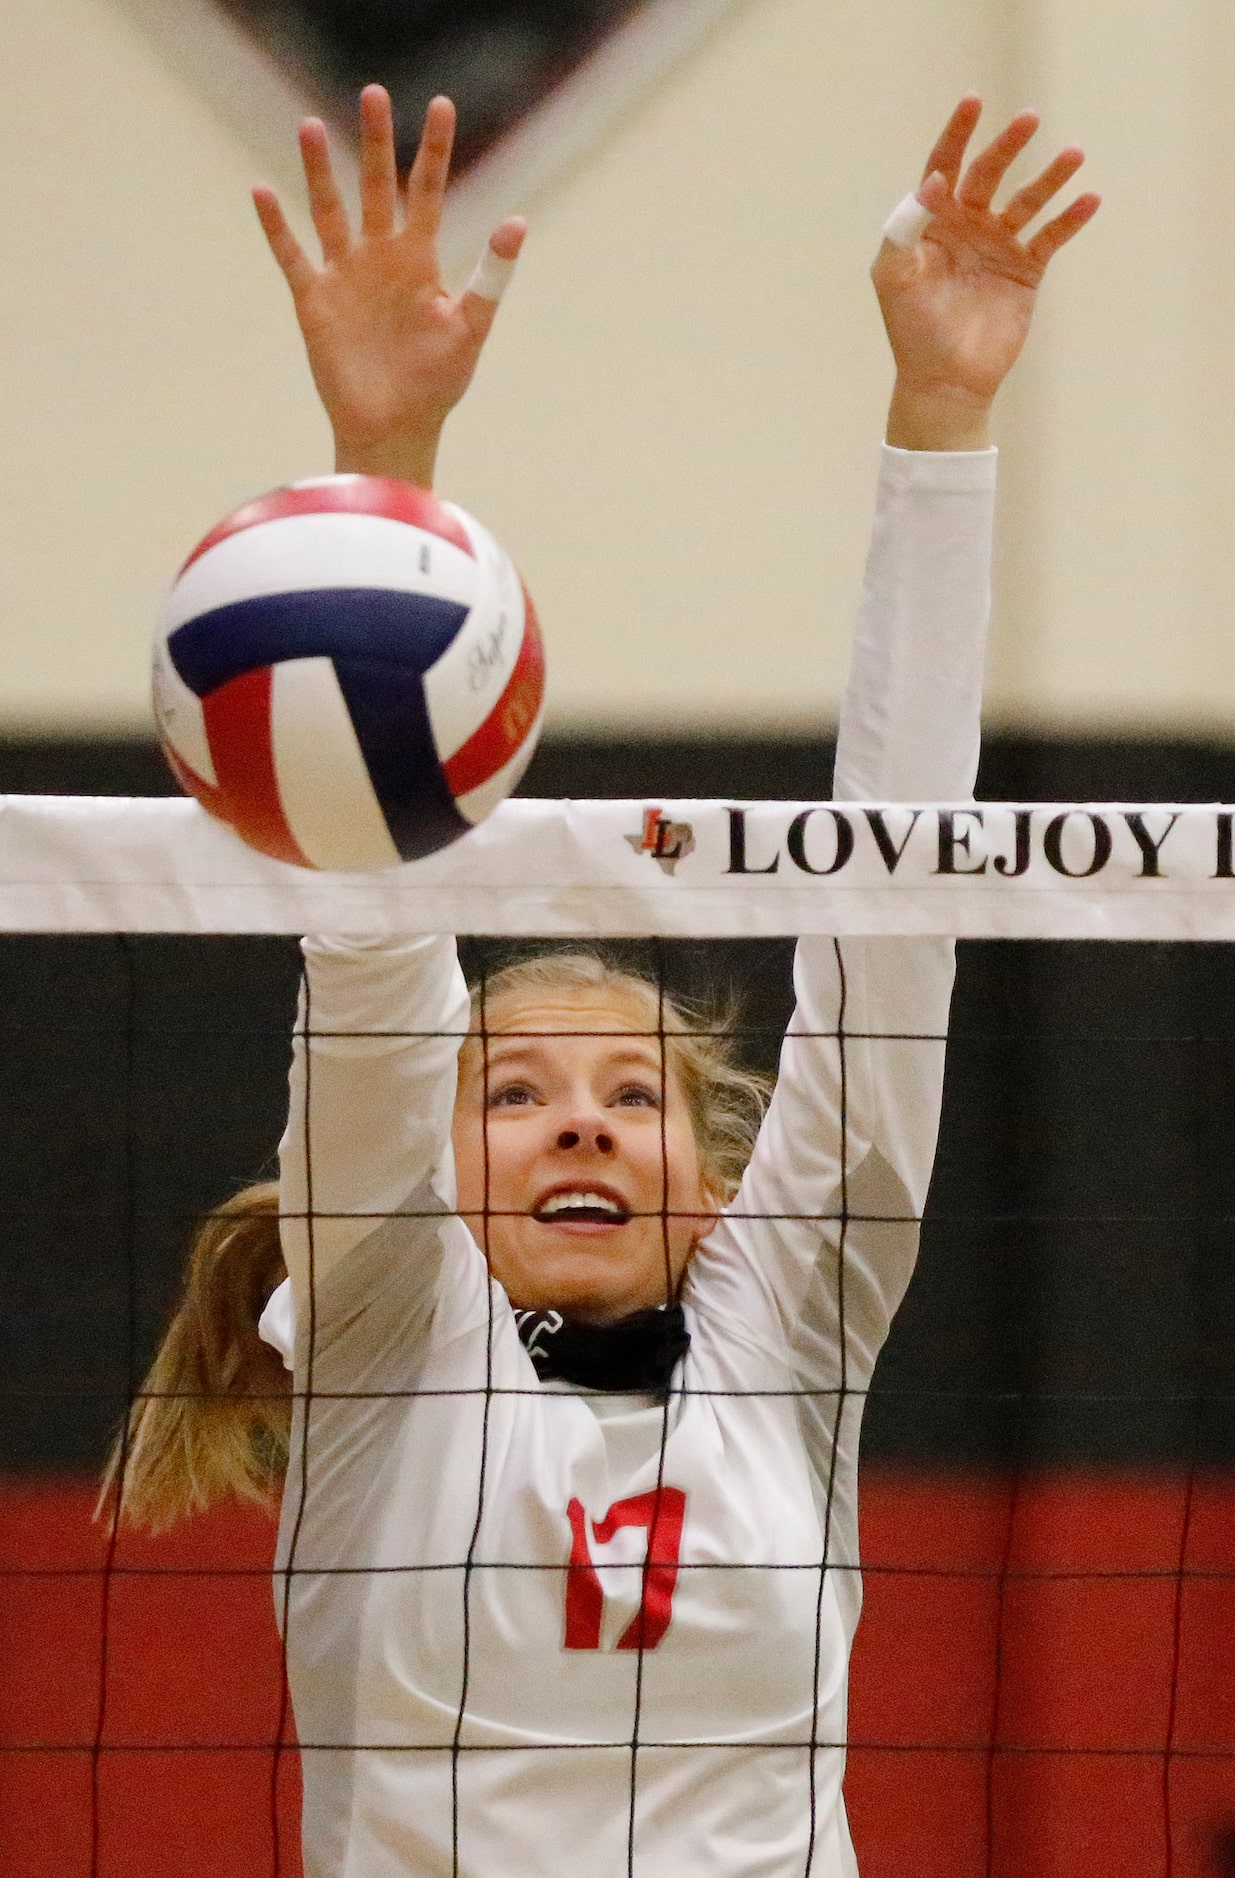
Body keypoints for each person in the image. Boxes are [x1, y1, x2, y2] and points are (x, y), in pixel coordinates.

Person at [110, 87, 1098, 1877]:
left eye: (631, 1094)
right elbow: (377, 935)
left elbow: (898, 896)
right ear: (434, 1174)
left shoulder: (781, 1332)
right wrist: (382, 462)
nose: (582, 1117)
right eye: (519, 1091)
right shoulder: (390, 1334)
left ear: (712, 1193)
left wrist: (941, 419)